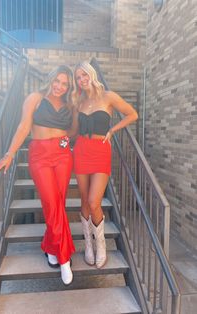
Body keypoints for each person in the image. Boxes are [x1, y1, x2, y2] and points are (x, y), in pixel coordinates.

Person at [0, 65, 76, 285]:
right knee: (51, 202)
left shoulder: (70, 104)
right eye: (57, 81)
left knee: (57, 203)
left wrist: (62, 141)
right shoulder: (35, 98)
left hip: (62, 155)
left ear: (69, 87)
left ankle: (50, 247)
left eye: (65, 84)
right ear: (50, 79)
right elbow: (23, 127)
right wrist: (10, 154)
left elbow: (73, 130)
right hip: (39, 155)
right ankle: (64, 257)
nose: (60, 87)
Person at [72, 61, 138, 268]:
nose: (82, 80)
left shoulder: (108, 96)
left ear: (91, 74)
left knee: (94, 202)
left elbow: (132, 114)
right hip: (81, 150)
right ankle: (88, 245)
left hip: (101, 151)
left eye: (84, 75)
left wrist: (112, 130)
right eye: (78, 78)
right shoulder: (79, 101)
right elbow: (74, 130)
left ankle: (101, 244)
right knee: (84, 200)